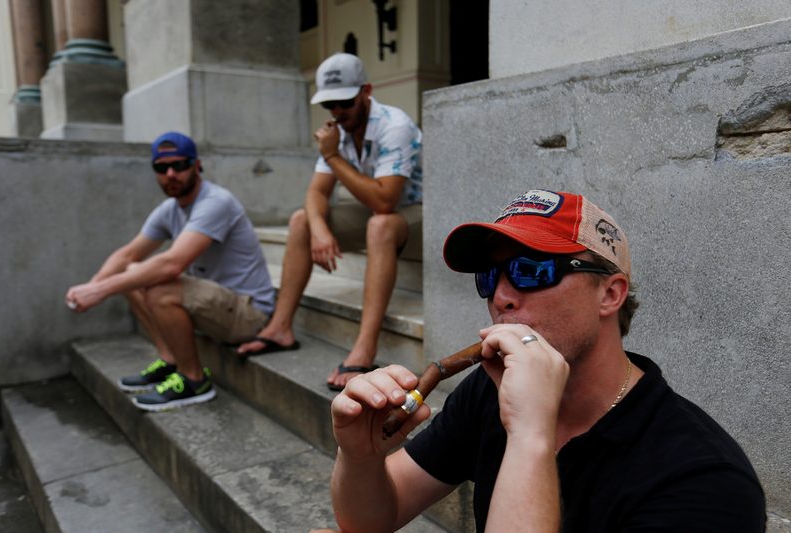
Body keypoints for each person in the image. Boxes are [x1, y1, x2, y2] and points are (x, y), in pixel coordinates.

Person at [328, 189, 766, 531]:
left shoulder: (704, 479)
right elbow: (372, 519)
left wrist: (530, 433)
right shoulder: (488, 390)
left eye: (531, 270)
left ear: (609, 294)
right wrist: (360, 457)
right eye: (489, 277)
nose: (501, 297)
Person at [237, 53, 423, 392]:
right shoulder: (338, 132)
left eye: (344, 102)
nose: (337, 111)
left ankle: (365, 349)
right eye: (329, 104)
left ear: (366, 91)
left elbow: (384, 200)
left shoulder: (394, 126)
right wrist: (319, 230)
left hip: (423, 214)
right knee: (301, 221)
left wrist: (332, 156)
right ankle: (280, 327)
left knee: (379, 224)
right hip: (381, 210)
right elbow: (316, 195)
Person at [65, 132, 275, 411]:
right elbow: (128, 254)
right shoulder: (170, 209)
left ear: (197, 165)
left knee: (159, 285)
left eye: (180, 165)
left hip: (248, 313)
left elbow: (172, 264)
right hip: (215, 306)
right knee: (132, 272)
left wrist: (99, 291)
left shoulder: (216, 202)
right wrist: (91, 286)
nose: (171, 174)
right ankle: (171, 360)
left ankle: (194, 381)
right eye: (162, 168)